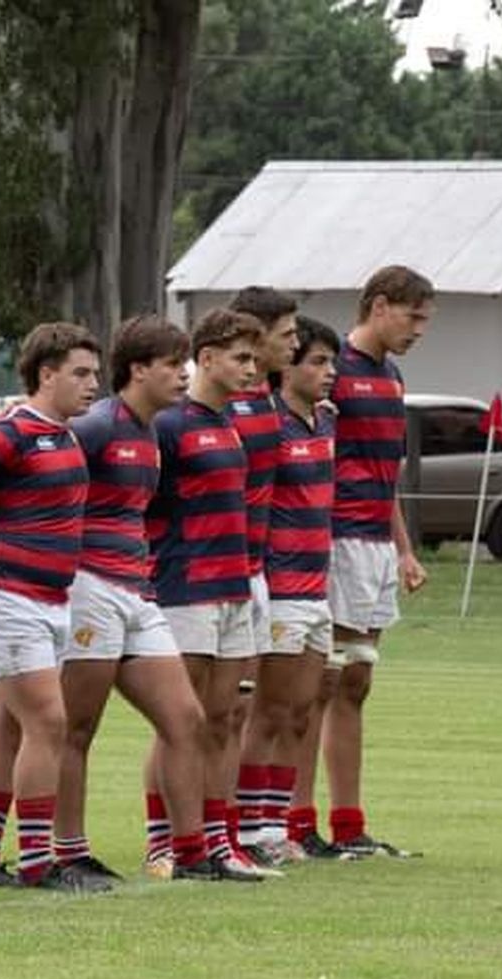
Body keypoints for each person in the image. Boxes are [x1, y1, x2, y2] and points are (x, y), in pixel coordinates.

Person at [56, 315, 230, 883]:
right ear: (137, 370)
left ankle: (191, 855)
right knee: (76, 727)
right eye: (171, 365)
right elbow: (39, 479)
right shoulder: (98, 425)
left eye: (185, 364)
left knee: (186, 720)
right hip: (89, 590)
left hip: (138, 591)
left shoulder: (150, 431)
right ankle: (67, 852)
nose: (183, 376)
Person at [0, 324, 97, 891]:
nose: (93, 385)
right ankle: (39, 863)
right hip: (4, 593)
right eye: (81, 374)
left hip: (48, 598)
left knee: (8, 730)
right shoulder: (10, 432)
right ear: (47, 374)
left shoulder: (65, 435)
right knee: (49, 721)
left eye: (95, 373)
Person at [146, 308, 269, 879]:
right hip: (185, 588)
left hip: (232, 588)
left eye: (254, 357)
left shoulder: (230, 423)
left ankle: (219, 842)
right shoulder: (171, 424)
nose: (251, 368)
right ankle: (165, 844)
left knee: (222, 720)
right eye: (241, 357)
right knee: (181, 723)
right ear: (208, 357)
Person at [322, 265, 432, 856]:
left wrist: (404, 548)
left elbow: (384, 473)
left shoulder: (391, 377)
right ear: (381, 305)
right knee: (322, 680)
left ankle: (349, 825)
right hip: (333, 538)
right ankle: (291, 825)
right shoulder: (330, 367)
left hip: (374, 544)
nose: (420, 330)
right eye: (414, 317)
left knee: (357, 680)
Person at [230, 317, 343, 863]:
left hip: (317, 586)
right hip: (279, 586)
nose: (328, 372)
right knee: (268, 712)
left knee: (301, 712)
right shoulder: (266, 423)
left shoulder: (324, 422)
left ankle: (275, 825)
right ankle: (249, 829)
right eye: (317, 361)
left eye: (330, 362)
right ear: (289, 368)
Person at [223, 287, 297, 866]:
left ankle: (236, 832)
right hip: (205, 577)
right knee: (199, 715)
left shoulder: (271, 399)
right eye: (287, 335)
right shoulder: (224, 404)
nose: (292, 345)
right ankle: (180, 838)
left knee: (239, 711)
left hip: (254, 574)